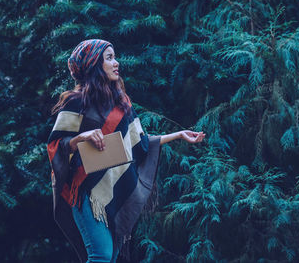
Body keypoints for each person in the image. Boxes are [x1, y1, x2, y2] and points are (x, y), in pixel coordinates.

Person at [47, 39, 205, 263]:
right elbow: (56, 145)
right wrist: (81, 137)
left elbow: (139, 143)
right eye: (109, 58)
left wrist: (179, 135)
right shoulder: (75, 102)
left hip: (112, 196)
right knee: (100, 256)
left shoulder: (121, 104)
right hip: (87, 194)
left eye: (115, 57)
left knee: (110, 257)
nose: (116, 63)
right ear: (94, 65)